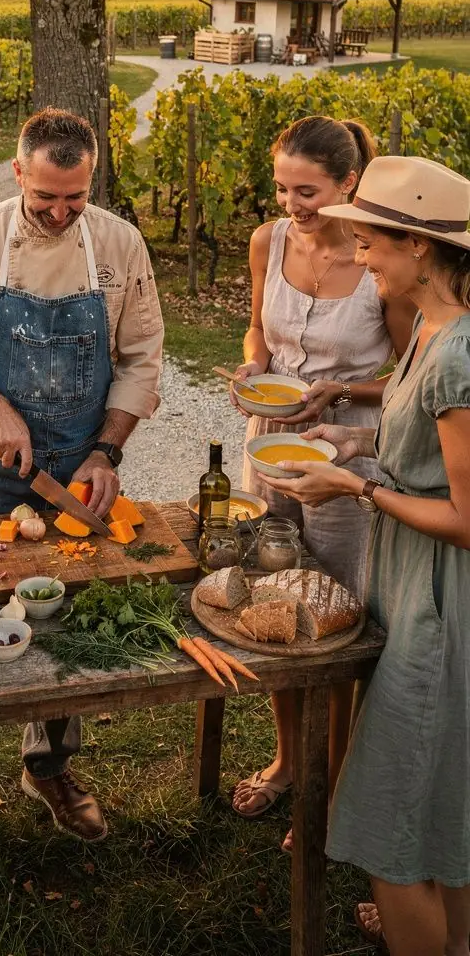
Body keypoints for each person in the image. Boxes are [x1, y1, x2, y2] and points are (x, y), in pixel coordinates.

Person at [0, 107, 164, 891]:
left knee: (66, 612)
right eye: (46, 197)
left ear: (91, 182)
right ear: (18, 173)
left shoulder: (118, 244)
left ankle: (49, 766)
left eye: (75, 199)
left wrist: (107, 449)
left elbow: (142, 356)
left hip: (79, 466)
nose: (59, 212)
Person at [261, 154, 470, 956]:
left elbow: (465, 514)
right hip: (417, 583)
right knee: (443, 795)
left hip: (439, 600)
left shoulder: (455, 354)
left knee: (390, 827)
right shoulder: (435, 330)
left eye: (372, 243)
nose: (358, 256)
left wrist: (355, 490)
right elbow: (419, 446)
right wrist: (352, 438)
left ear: (419, 249)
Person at [229, 117, 414, 844]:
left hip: (343, 462)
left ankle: (338, 787)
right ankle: (285, 761)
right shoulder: (266, 242)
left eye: (306, 191)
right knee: (276, 600)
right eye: (281, 187)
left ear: (348, 186)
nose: (290, 204)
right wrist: (252, 365)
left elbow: (404, 375)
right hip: (269, 446)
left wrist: (338, 394)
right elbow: (255, 331)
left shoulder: (378, 264)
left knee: (337, 622)